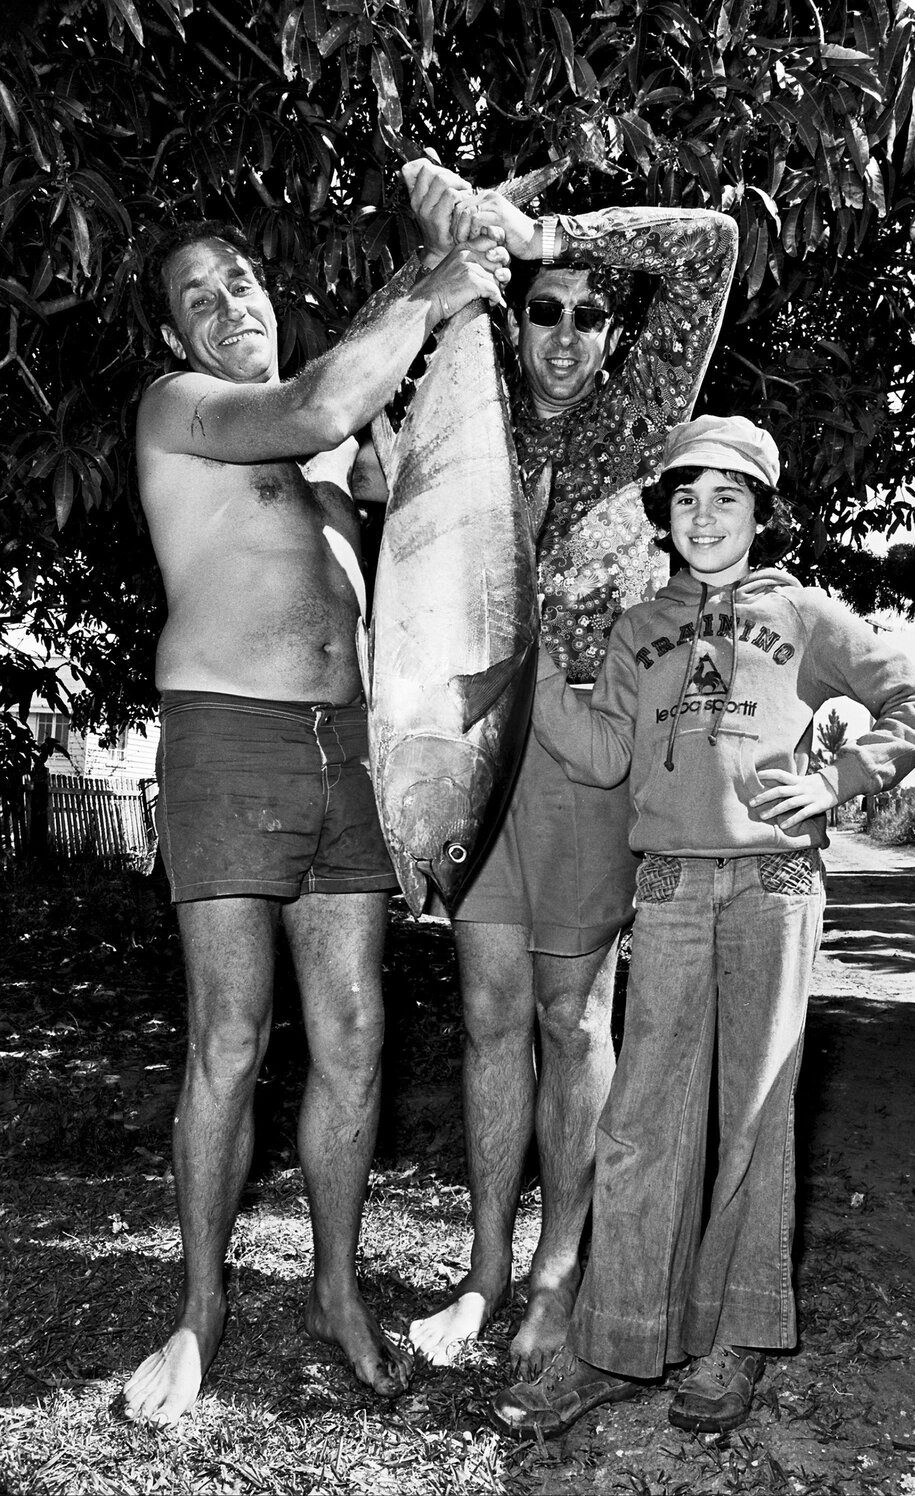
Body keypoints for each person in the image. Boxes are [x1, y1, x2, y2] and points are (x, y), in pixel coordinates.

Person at [120, 215, 510, 1426]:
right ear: (174, 332)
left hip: (347, 746)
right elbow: (315, 406)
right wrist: (430, 281)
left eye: (240, 280)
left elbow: (432, 478)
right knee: (229, 1037)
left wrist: (459, 295)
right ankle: (200, 1305)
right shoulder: (187, 407)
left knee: (355, 1033)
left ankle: (336, 1285)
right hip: (227, 733)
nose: (226, 303)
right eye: (198, 296)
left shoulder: (347, 439)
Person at [491, 415, 915, 1438]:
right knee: (641, 1114)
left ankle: (734, 1337)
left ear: (762, 512)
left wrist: (840, 778)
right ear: (664, 515)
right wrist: (524, 674)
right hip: (670, 887)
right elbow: (605, 753)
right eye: (686, 498)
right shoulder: (633, 626)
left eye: (727, 497)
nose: (704, 516)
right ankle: (614, 1337)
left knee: (753, 1109)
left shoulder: (805, 611)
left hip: (774, 880)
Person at [394, 162, 739, 1373]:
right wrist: (445, 226)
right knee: (488, 1011)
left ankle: (558, 1265)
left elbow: (709, 238)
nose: (565, 335)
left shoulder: (637, 426)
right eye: (546, 304)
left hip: (589, 754)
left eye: (591, 313)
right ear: (519, 313)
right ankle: (486, 1268)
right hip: (470, 749)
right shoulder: (464, 401)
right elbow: (402, 323)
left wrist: (548, 230)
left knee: (567, 1016)